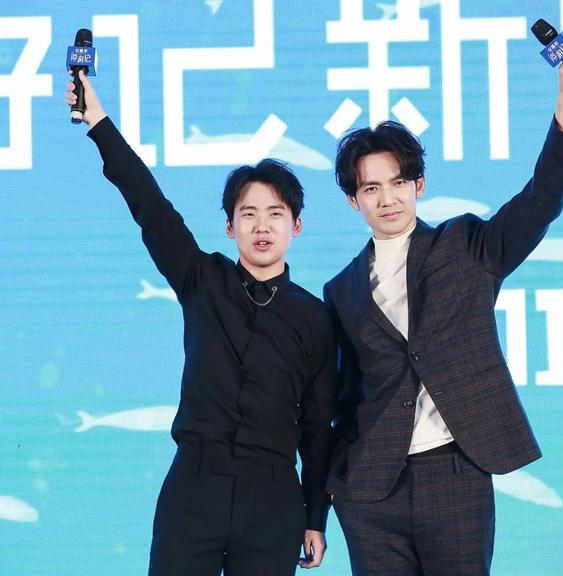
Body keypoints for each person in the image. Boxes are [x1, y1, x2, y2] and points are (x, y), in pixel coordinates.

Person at [323, 48, 563, 575]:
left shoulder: (466, 245)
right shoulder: (342, 290)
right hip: (371, 492)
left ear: (419, 186)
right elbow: (340, 399)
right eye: (371, 188)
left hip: (455, 472)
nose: (387, 199)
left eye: (398, 183)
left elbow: (539, 202)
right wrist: (332, 488)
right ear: (354, 200)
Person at [66, 70, 336, 576]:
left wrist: (315, 516)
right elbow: (150, 205)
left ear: (296, 225)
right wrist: (98, 121)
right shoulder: (202, 279)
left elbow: (320, 426)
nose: (261, 226)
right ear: (230, 226)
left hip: (273, 497)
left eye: (275, 214)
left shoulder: (316, 318)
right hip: (193, 488)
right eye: (248, 214)